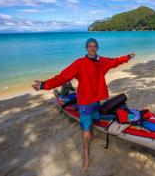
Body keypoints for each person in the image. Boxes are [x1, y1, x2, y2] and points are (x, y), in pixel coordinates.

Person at [32, 38, 135, 172]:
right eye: (90, 46)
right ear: (86, 48)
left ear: (97, 48)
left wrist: (127, 57)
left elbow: (115, 62)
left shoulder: (102, 61)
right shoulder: (79, 63)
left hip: (96, 98)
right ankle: (86, 155)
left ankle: (92, 135)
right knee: (85, 130)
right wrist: (44, 85)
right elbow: (63, 77)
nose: (92, 48)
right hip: (85, 101)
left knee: (94, 119)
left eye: (94, 46)